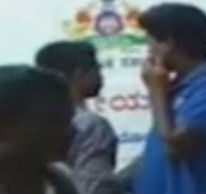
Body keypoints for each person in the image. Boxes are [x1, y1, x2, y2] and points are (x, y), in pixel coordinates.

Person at [133, 3, 206, 194]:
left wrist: (156, 93)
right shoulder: (176, 88)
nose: (149, 52)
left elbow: (175, 146)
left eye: (151, 43)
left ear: (168, 44)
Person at [36, 41, 119, 194]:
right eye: (97, 69)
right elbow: (95, 187)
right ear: (79, 73)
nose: (101, 76)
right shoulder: (91, 125)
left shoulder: (33, 123)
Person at [0, 65, 79, 194]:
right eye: (54, 121)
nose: (72, 131)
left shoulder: (58, 180)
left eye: (69, 120)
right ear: (5, 124)